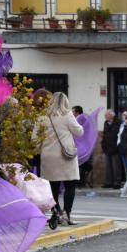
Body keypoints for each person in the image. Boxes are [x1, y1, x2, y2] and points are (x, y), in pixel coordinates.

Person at [37, 92, 84, 225]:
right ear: (65, 102)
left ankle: (55, 213)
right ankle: (67, 214)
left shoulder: (42, 117)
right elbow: (79, 132)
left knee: (52, 186)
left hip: (48, 156)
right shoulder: (68, 115)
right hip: (66, 156)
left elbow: (35, 139)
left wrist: (41, 150)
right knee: (70, 185)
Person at [101, 109, 122, 189]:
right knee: (108, 167)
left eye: (107, 115)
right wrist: (103, 145)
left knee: (116, 167)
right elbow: (104, 135)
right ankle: (108, 182)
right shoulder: (106, 123)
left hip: (116, 148)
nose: (105, 116)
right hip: (107, 147)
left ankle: (117, 182)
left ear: (112, 115)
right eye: (105, 115)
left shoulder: (118, 123)